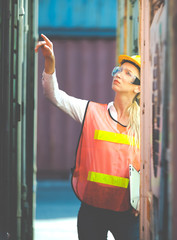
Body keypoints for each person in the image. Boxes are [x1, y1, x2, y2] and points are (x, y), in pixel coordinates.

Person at [35, 34, 141, 240]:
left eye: (128, 73)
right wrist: (50, 62)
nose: (119, 74)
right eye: (119, 70)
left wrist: (143, 200)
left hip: (126, 213)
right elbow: (54, 95)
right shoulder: (91, 111)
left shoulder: (145, 124)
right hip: (92, 211)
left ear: (138, 87)